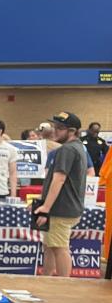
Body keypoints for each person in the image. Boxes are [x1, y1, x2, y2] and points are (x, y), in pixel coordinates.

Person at [36, 112, 88, 277]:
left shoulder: (67, 149)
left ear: (72, 131)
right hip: (67, 206)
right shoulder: (79, 147)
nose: (54, 131)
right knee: (50, 246)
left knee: (59, 248)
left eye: (60, 128)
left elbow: (59, 180)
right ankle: (47, 278)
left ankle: (64, 286)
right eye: (54, 127)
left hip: (61, 208)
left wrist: (46, 207)